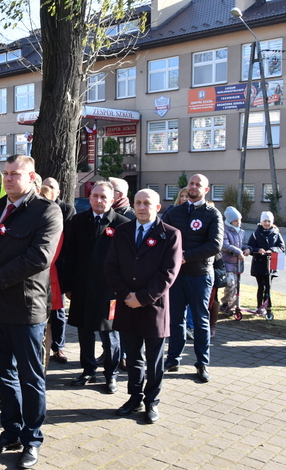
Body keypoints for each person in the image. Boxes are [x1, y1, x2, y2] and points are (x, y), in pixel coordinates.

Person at [0, 154, 63, 470]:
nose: (8, 179)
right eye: (5, 173)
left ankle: (32, 438)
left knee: (30, 377)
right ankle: (11, 432)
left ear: (32, 177)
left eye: (15, 174)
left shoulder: (46, 211)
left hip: (24, 309)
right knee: (3, 374)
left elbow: (40, 257)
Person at [105, 189, 181, 424]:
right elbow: (111, 266)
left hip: (153, 306)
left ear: (157, 207)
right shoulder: (122, 231)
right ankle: (135, 397)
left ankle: (152, 402)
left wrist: (143, 297)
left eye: (147, 203)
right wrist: (126, 294)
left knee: (154, 359)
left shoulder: (170, 234)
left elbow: (169, 273)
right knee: (133, 357)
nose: (141, 207)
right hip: (127, 303)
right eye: (137, 203)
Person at [61, 181, 129, 394]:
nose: (99, 200)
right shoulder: (78, 221)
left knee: (111, 334)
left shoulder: (123, 224)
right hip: (82, 287)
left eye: (103, 197)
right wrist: (68, 286)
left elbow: (127, 262)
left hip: (110, 290)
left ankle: (111, 375)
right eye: (95, 196)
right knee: (85, 331)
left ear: (112, 200)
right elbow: (69, 254)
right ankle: (88, 370)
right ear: (89, 198)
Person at [162, 174, 223, 383]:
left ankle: (202, 363)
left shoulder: (212, 214)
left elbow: (215, 245)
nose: (194, 187)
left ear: (206, 190)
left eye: (198, 185)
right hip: (176, 276)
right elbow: (162, 236)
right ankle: (173, 359)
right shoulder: (174, 212)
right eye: (191, 183)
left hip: (200, 275)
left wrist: (185, 256)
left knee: (200, 320)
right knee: (175, 320)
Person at [42, 177, 75, 364]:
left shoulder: (66, 210)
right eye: (45, 186)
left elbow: (68, 242)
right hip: (42, 268)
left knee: (58, 311)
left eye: (51, 186)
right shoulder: (36, 208)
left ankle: (59, 346)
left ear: (58, 191)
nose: (48, 189)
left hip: (58, 268)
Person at [247, 211, 286, 314]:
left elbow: (282, 248)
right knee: (261, 286)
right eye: (265, 221)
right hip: (259, 264)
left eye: (269, 221)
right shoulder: (255, 234)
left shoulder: (276, 234)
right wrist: (258, 250)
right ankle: (259, 306)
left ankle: (268, 307)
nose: (267, 223)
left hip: (272, 264)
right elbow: (250, 247)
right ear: (261, 222)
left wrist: (272, 250)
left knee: (268, 287)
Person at [220, 206, 248, 311]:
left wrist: (247, 249)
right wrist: (238, 252)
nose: (238, 223)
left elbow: (242, 245)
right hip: (227, 262)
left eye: (239, 220)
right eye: (236, 221)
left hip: (238, 263)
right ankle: (225, 302)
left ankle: (231, 305)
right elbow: (225, 245)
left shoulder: (241, 231)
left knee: (236, 285)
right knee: (230, 283)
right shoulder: (224, 231)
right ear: (230, 221)